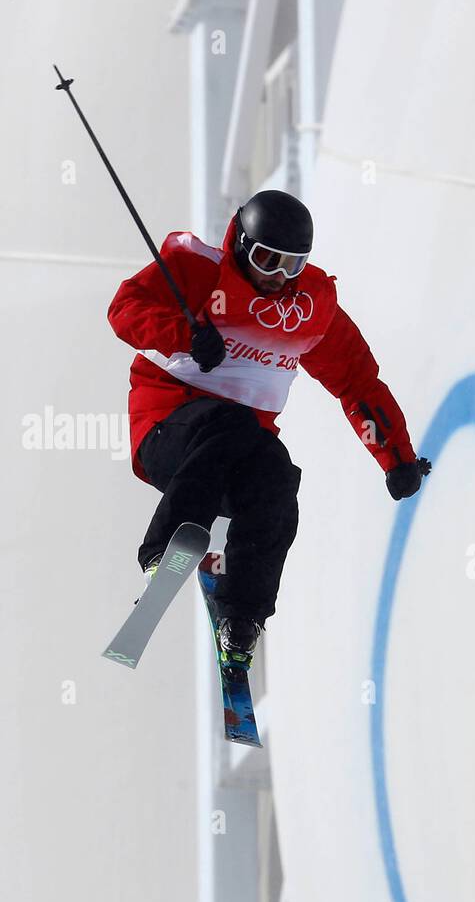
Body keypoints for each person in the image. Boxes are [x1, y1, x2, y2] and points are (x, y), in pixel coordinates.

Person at [107, 189, 429, 669]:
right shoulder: (200, 273)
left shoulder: (308, 313)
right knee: (232, 423)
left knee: (278, 477)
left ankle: (242, 617)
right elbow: (125, 308)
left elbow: (357, 383)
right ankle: (163, 554)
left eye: (292, 266)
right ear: (241, 246)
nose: (278, 277)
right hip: (166, 433)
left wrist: (397, 459)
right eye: (267, 260)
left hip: (231, 455)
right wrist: (185, 334)